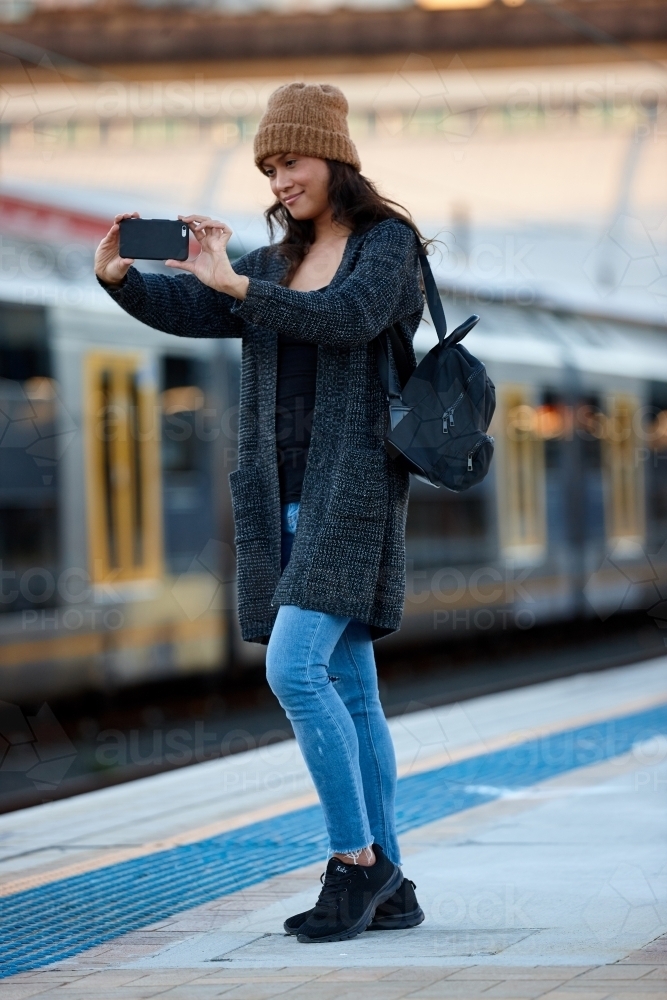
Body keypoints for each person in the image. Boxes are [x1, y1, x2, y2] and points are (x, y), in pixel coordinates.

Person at [94, 81, 426, 943]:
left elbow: (348, 319)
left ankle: (355, 864)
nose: (280, 180)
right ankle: (392, 884)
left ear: (335, 158)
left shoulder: (386, 245)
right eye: (269, 167)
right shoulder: (273, 264)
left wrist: (238, 287)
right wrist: (122, 278)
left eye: (293, 162)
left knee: (293, 671)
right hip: (277, 492)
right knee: (352, 692)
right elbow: (201, 311)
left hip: (349, 491)